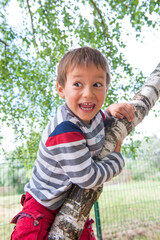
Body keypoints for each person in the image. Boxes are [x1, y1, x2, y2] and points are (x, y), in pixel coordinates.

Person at [10, 46, 135, 240]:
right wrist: (117, 162)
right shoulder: (65, 129)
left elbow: (101, 119)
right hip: (42, 205)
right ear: (61, 89)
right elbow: (87, 177)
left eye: (97, 84)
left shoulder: (91, 117)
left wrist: (110, 112)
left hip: (70, 203)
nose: (88, 93)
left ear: (106, 88)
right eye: (78, 84)